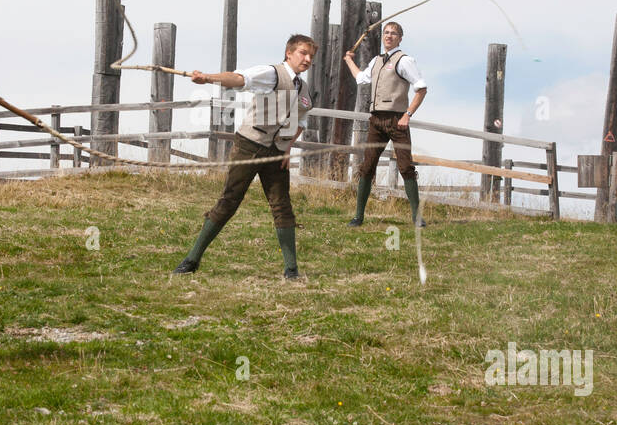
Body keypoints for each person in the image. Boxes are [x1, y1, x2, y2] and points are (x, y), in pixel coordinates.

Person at [173, 34, 316, 280]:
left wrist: (288, 147)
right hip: (250, 145)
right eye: (303, 53)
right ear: (289, 53)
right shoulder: (271, 74)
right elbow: (240, 78)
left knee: (282, 206)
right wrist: (207, 78)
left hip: (276, 154)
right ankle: (191, 260)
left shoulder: (303, 89)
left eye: (311, 55)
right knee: (229, 201)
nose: (308, 59)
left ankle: (291, 270)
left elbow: (300, 120)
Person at [343, 20, 428, 227]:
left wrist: (408, 114)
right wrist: (348, 61)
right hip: (376, 120)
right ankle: (358, 216)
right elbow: (362, 79)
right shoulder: (376, 60)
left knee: (406, 167)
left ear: (400, 38)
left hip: (397, 120)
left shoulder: (405, 60)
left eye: (393, 33)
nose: (388, 36)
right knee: (367, 167)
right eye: (386, 33)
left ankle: (417, 217)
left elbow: (421, 88)